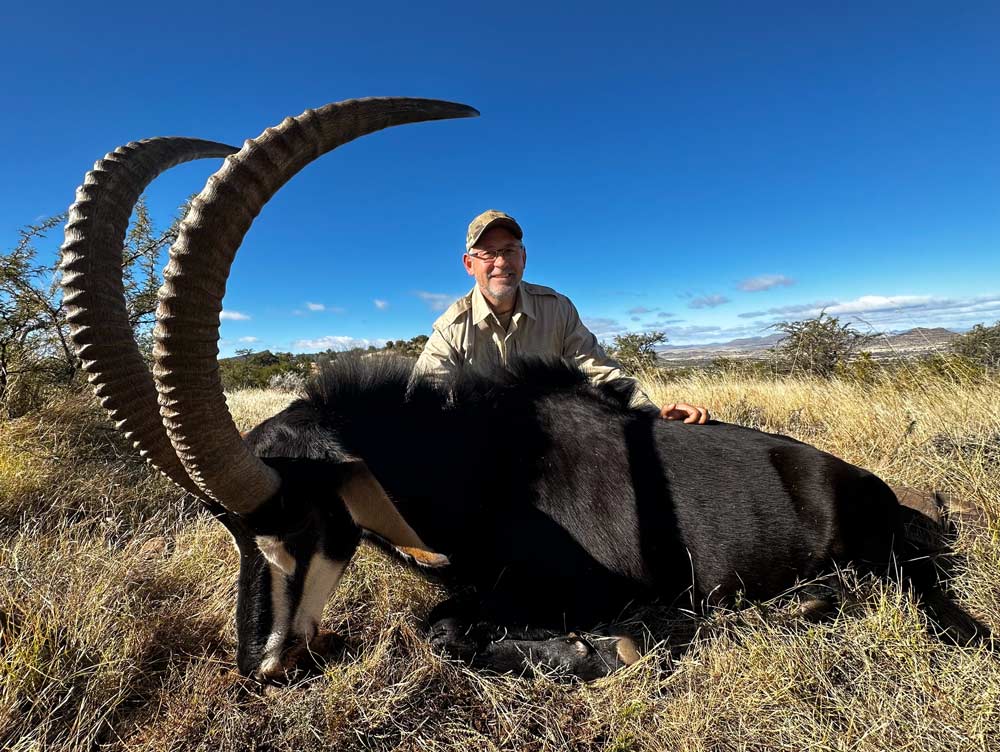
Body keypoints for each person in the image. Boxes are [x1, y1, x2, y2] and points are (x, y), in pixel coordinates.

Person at [413, 210, 709, 423]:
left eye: (509, 250)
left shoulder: (556, 308)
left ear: (524, 257)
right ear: (469, 264)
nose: (501, 262)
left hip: (555, 442)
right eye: (488, 253)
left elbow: (601, 373)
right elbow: (422, 398)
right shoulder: (452, 328)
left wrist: (652, 414)